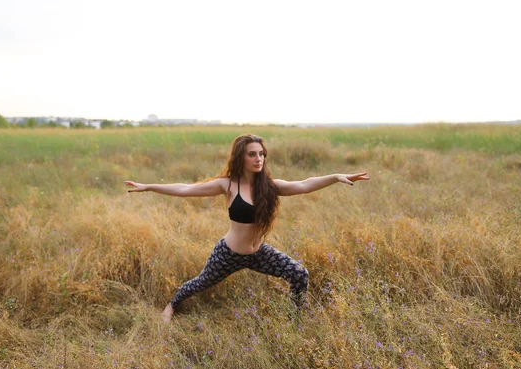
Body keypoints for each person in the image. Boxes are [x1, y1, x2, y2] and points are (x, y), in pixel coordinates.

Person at [124, 134, 369, 323]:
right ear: (241, 157)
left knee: (299, 274)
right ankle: (172, 306)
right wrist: (148, 186)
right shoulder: (228, 185)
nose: (258, 158)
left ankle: (296, 319)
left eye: (261, 154)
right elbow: (185, 189)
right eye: (252, 154)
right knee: (200, 283)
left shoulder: (270, 186)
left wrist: (336, 176)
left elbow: (304, 184)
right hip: (229, 254)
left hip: (258, 253)